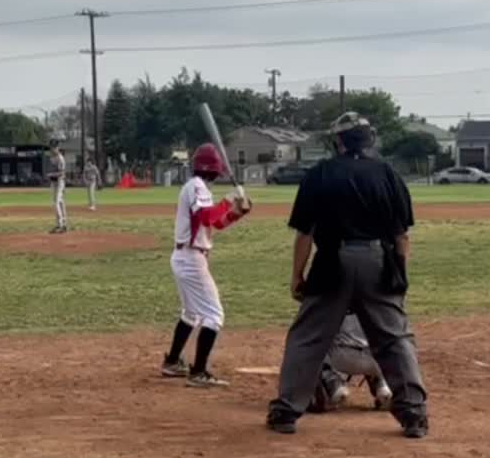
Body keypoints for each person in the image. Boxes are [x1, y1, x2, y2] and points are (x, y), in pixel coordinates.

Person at [269, 112, 428, 438]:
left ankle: (286, 412)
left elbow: (305, 235)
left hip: (333, 261)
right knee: (394, 338)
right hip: (378, 259)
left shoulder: (320, 174)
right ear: (369, 139)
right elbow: (402, 236)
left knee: (308, 337)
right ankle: (414, 415)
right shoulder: (388, 174)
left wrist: (297, 275)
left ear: (338, 140)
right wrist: (399, 275)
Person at [161, 143, 252, 388]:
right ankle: (198, 372)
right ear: (211, 169)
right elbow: (206, 217)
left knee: (191, 314)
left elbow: (216, 224)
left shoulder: (198, 188)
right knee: (214, 315)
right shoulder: (196, 186)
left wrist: (236, 213)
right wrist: (230, 198)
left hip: (187, 257)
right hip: (190, 259)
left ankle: (171, 362)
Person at [311, 314, 392, 412]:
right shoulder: (380, 301)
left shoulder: (331, 301)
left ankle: (333, 383)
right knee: (380, 340)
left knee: (314, 342)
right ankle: (384, 387)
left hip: (342, 359)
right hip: (379, 360)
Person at [45, 141, 70, 233]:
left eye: (54, 147)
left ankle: (60, 225)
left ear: (58, 147)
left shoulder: (60, 158)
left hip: (60, 182)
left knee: (56, 202)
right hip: (55, 182)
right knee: (60, 203)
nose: (52, 149)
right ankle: (63, 224)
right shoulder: (52, 157)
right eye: (51, 147)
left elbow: (62, 173)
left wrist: (51, 174)